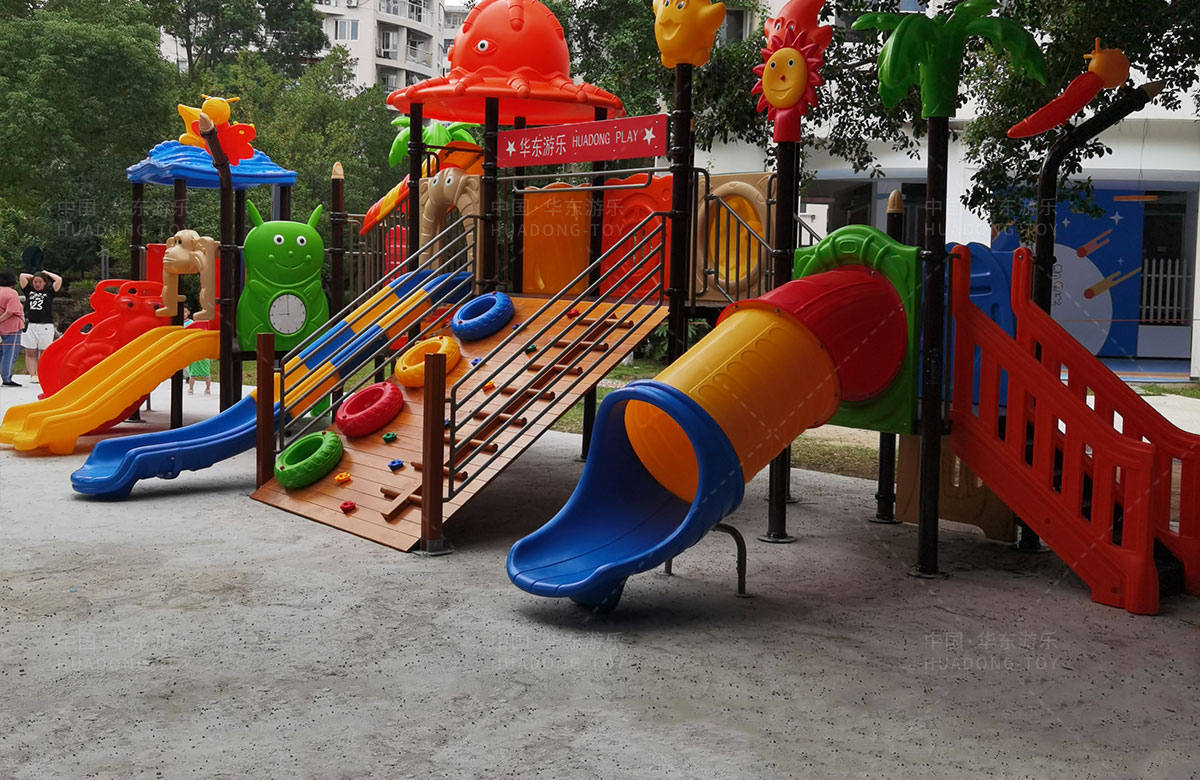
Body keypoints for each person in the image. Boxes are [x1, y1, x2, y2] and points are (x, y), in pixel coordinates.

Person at [19, 269, 63, 384]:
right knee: (31, 351)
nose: (37, 284)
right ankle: (33, 375)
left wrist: (46, 273)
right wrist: (35, 276)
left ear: (45, 283)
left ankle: (42, 374)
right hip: (31, 325)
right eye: (35, 282)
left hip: (46, 325)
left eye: (40, 282)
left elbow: (59, 280)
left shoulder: (49, 292)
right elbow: (22, 276)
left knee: (45, 352)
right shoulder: (29, 291)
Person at [0, 270, 25, 387]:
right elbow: (11, 311)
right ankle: (6, 378)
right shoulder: (12, 293)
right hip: (12, 327)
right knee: (9, 354)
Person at [182, 307, 211, 395]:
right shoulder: (178, 324)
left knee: (200, 373)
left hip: (193, 348)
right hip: (185, 346)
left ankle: (204, 388)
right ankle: (189, 381)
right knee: (186, 365)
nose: (183, 314)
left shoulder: (192, 323)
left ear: (189, 313)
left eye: (185, 311)